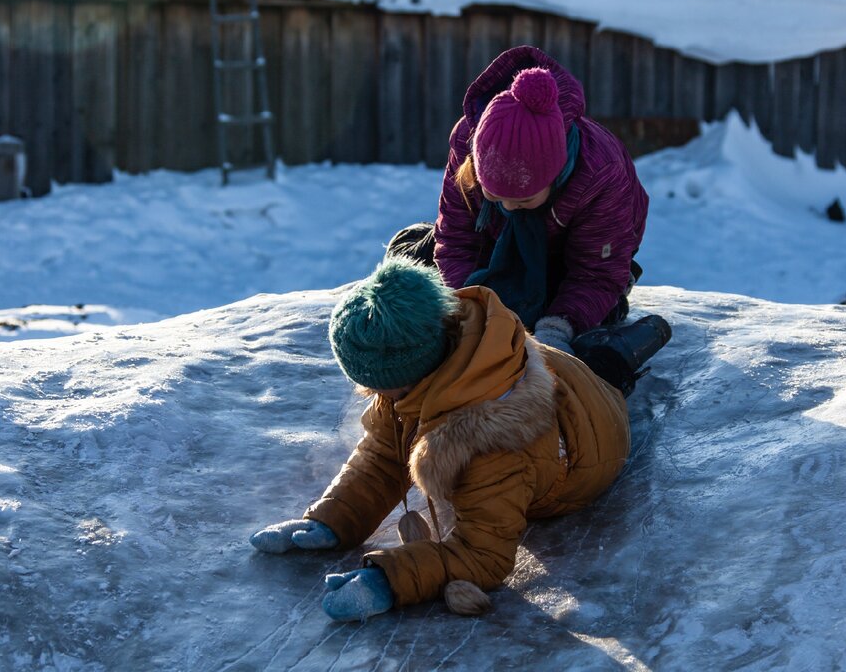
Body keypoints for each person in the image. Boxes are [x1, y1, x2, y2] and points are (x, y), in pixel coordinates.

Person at [249, 259, 668, 622]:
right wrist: (331, 519)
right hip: (556, 372)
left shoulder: (493, 437)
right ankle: (602, 358)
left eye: (379, 386)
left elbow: (484, 555)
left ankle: (628, 349)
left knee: (609, 372)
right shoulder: (431, 355)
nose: (373, 393)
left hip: (594, 434)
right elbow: (383, 454)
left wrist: (390, 579)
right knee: (582, 361)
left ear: (409, 375)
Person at [387, 45, 650, 357]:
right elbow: (456, 239)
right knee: (411, 260)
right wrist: (469, 307)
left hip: (574, 255)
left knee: (568, 313)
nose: (509, 207)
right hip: (497, 241)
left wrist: (558, 328)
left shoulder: (599, 172)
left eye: (524, 198)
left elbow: (596, 272)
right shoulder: (467, 141)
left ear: (554, 176)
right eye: (494, 196)